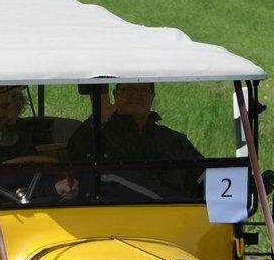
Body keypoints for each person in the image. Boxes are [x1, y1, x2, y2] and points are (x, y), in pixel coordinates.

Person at [67, 83, 202, 198]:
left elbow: (204, 177)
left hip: (172, 217)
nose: (135, 95)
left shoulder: (174, 140)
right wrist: (99, 118)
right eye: (128, 89)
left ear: (152, 96)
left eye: (143, 90)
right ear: (115, 94)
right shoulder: (96, 133)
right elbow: (74, 156)